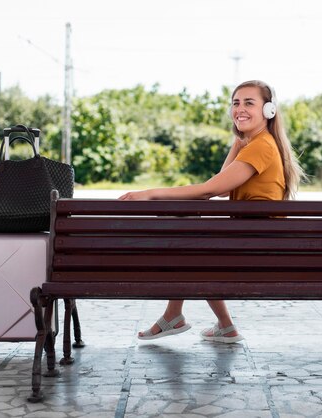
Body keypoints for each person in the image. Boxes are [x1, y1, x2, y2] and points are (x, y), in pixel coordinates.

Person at [118, 80, 305, 343]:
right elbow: (221, 182)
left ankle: (175, 316)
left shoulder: (262, 146)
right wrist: (238, 142)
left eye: (249, 103)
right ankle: (219, 325)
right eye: (235, 103)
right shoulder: (256, 143)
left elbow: (209, 190)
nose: (240, 109)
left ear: (269, 110)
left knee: (191, 248)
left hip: (256, 244)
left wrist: (150, 193)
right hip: (255, 236)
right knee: (192, 244)